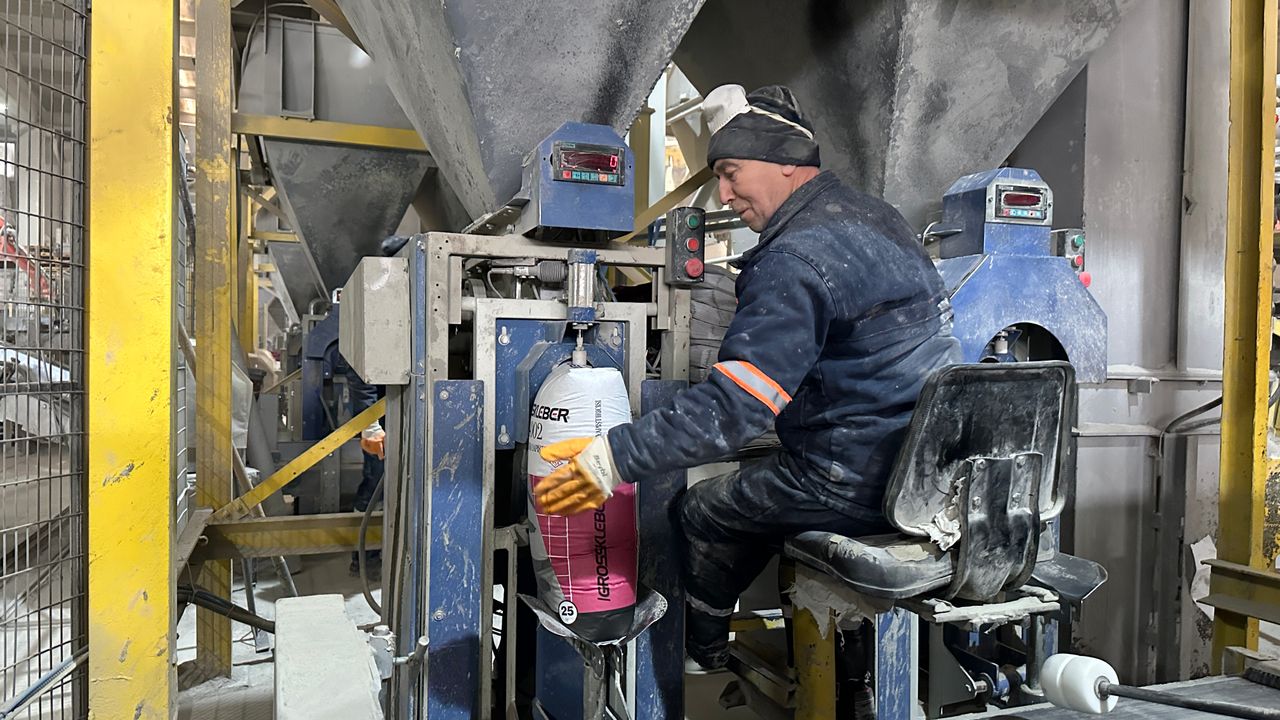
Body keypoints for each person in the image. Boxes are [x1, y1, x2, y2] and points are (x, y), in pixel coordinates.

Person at [533, 84, 962, 671]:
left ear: (786, 161)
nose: (724, 195)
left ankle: (702, 654)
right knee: (760, 496)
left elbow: (733, 410)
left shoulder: (795, 258)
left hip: (852, 479)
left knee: (702, 511)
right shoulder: (879, 217)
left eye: (731, 174)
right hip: (930, 472)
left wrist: (611, 459)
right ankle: (842, 671)